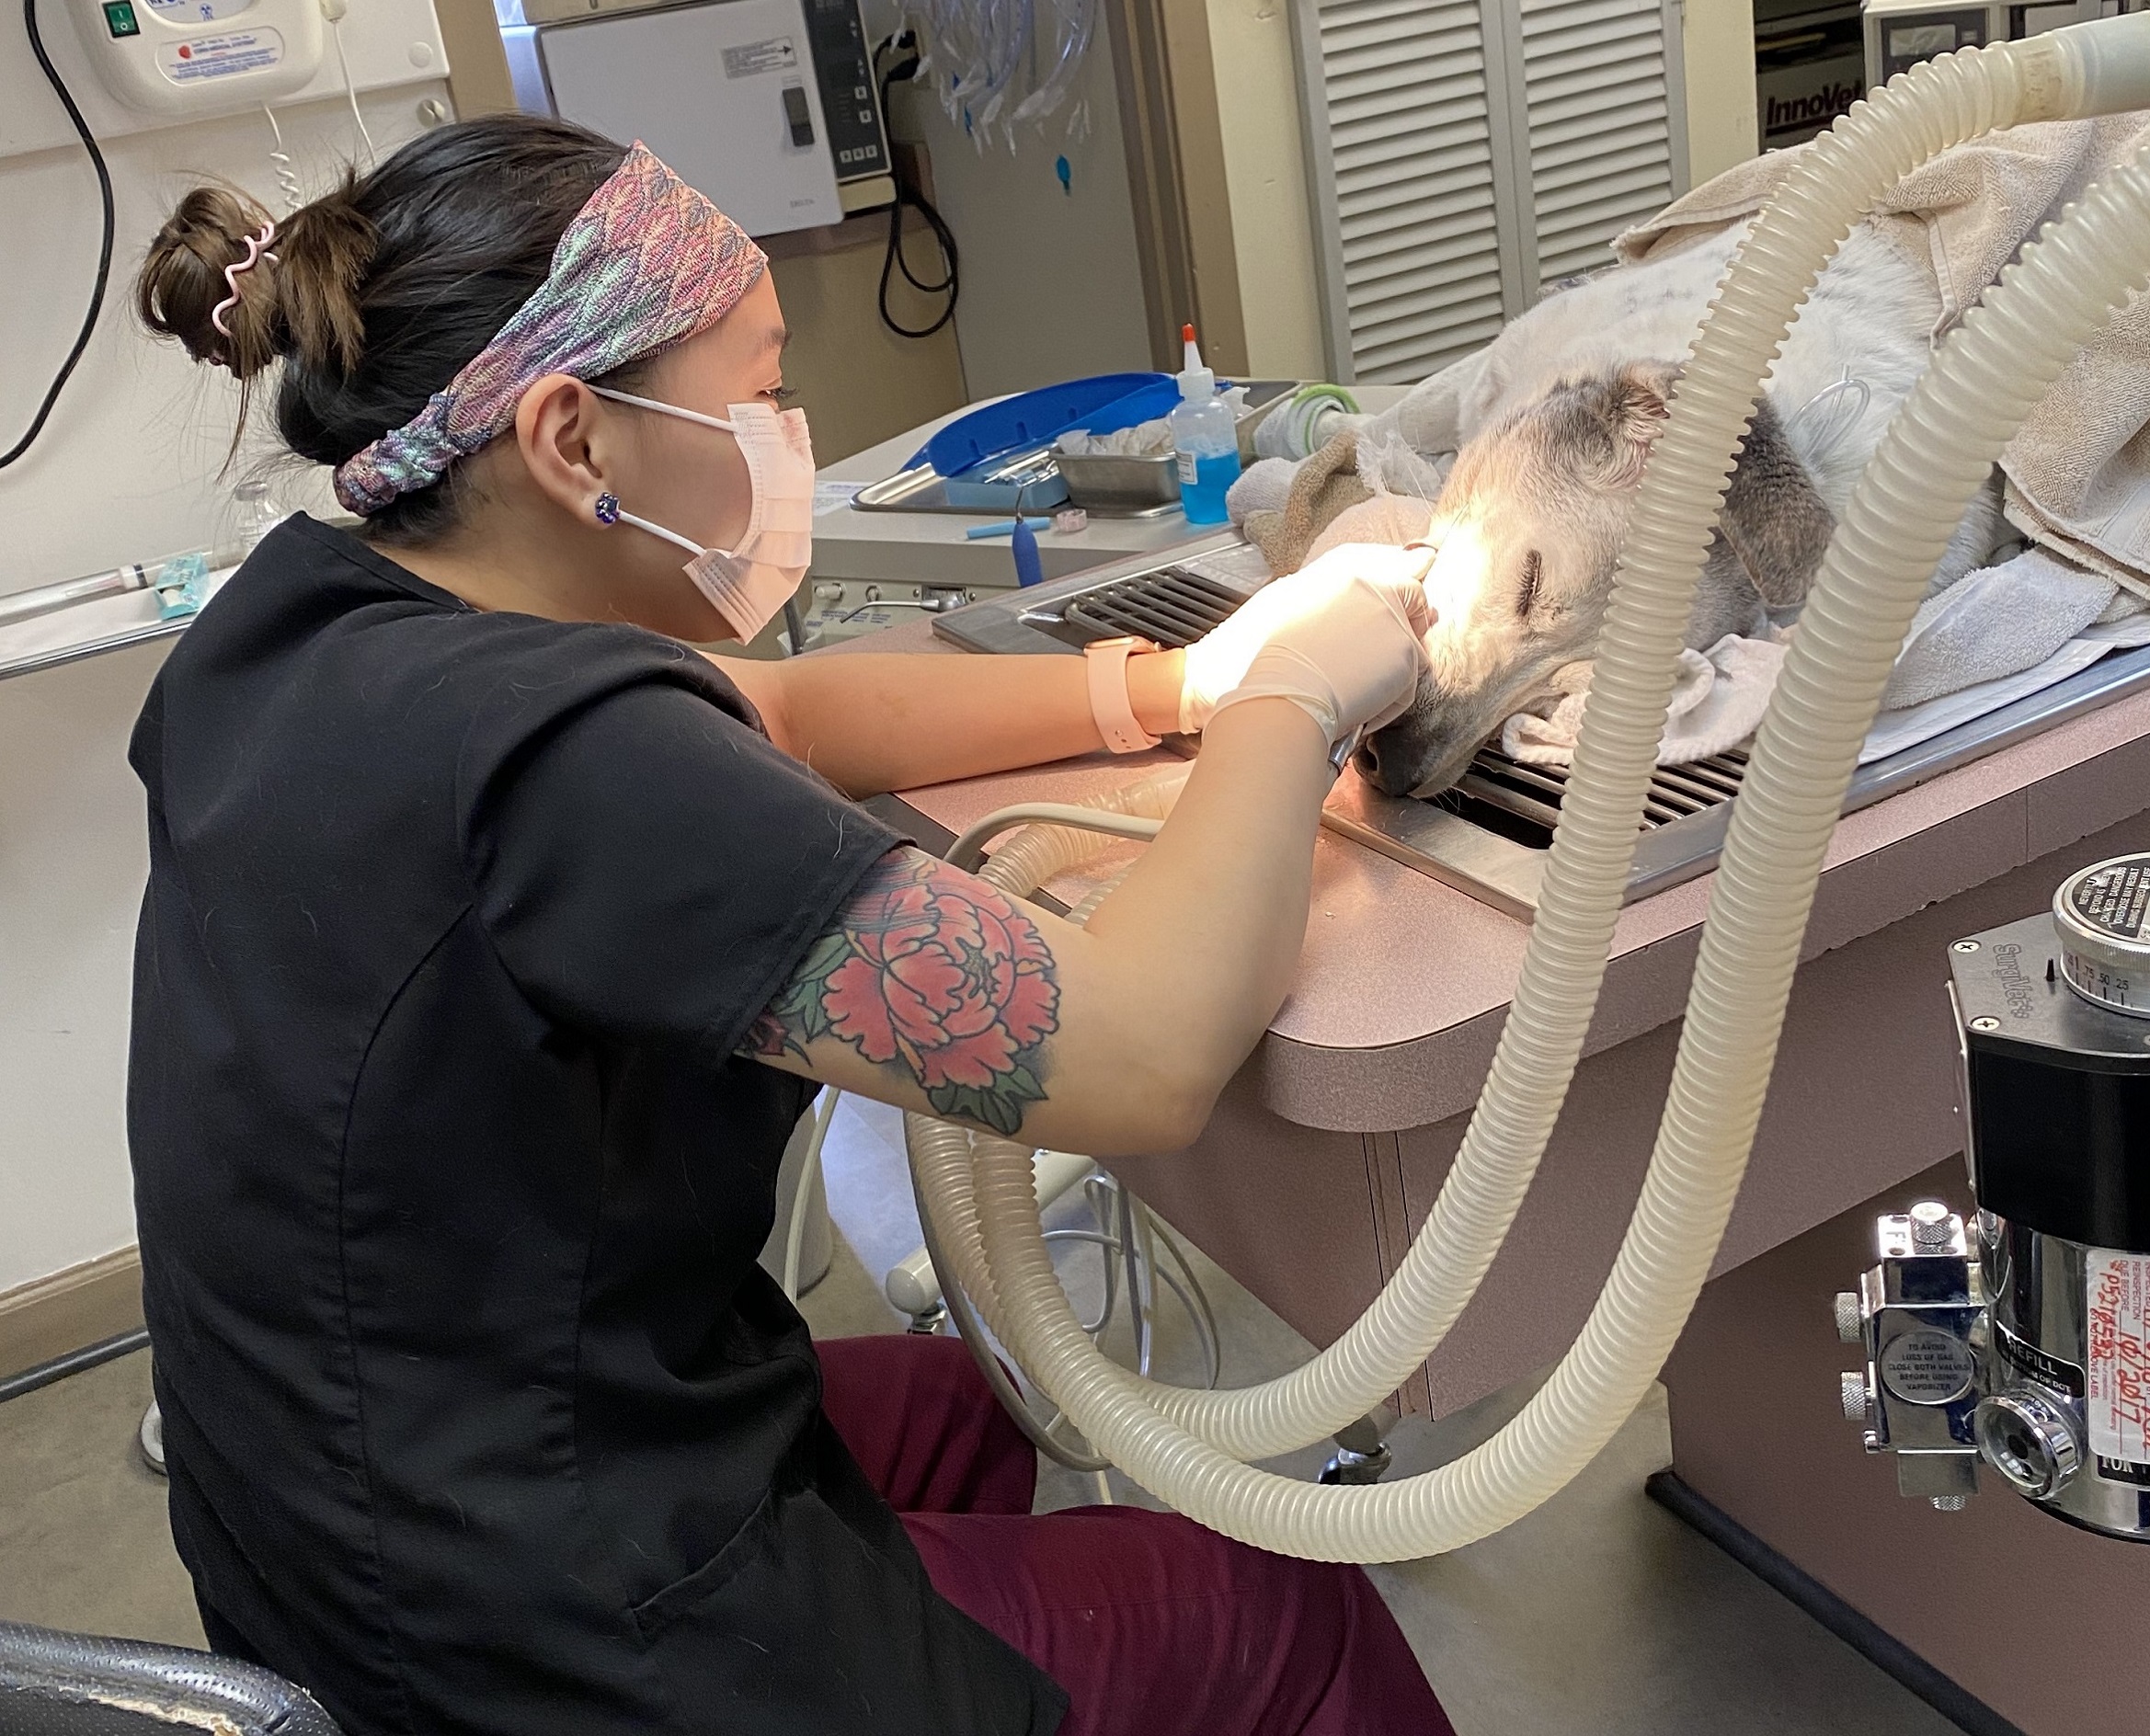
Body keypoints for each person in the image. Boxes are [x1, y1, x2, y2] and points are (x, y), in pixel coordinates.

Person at [126, 115, 1449, 1736]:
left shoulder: (314, 633)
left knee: (964, 1413)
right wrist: (1306, 693)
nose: (787, 437)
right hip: (524, 1647)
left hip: (342, 1532)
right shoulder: (574, 767)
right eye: (754, 391)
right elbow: (1152, 1055)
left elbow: (793, 713)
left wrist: (1178, 682)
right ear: (571, 438)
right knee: (1279, 1620)